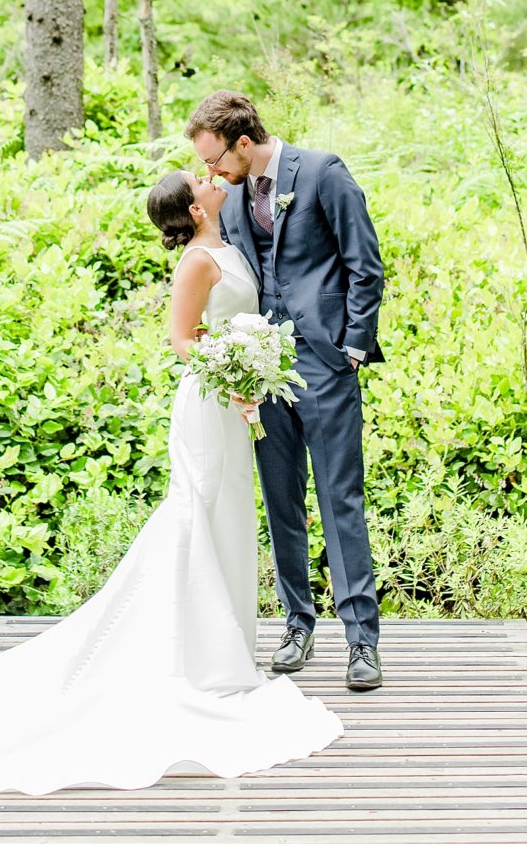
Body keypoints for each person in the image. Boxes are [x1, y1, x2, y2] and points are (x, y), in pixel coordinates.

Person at [0, 169, 342, 795]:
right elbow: (180, 340)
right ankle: (197, 654)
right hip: (207, 405)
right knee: (197, 512)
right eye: (199, 181)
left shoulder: (229, 245)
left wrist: (252, 368)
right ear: (195, 209)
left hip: (233, 406)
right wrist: (231, 368)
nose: (209, 178)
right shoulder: (197, 263)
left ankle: (222, 641)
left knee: (228, 517)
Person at [185, 90, 385, 692]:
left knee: (339, 498)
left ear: (243, 143)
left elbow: (364, 263)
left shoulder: (322, 173)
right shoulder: (234, 196)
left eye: (215, 160)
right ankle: (298, 623)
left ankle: (362, 641)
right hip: (261, 370)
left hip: (325, 364)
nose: (210, 174)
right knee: (281, 502)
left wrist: (352, 347)